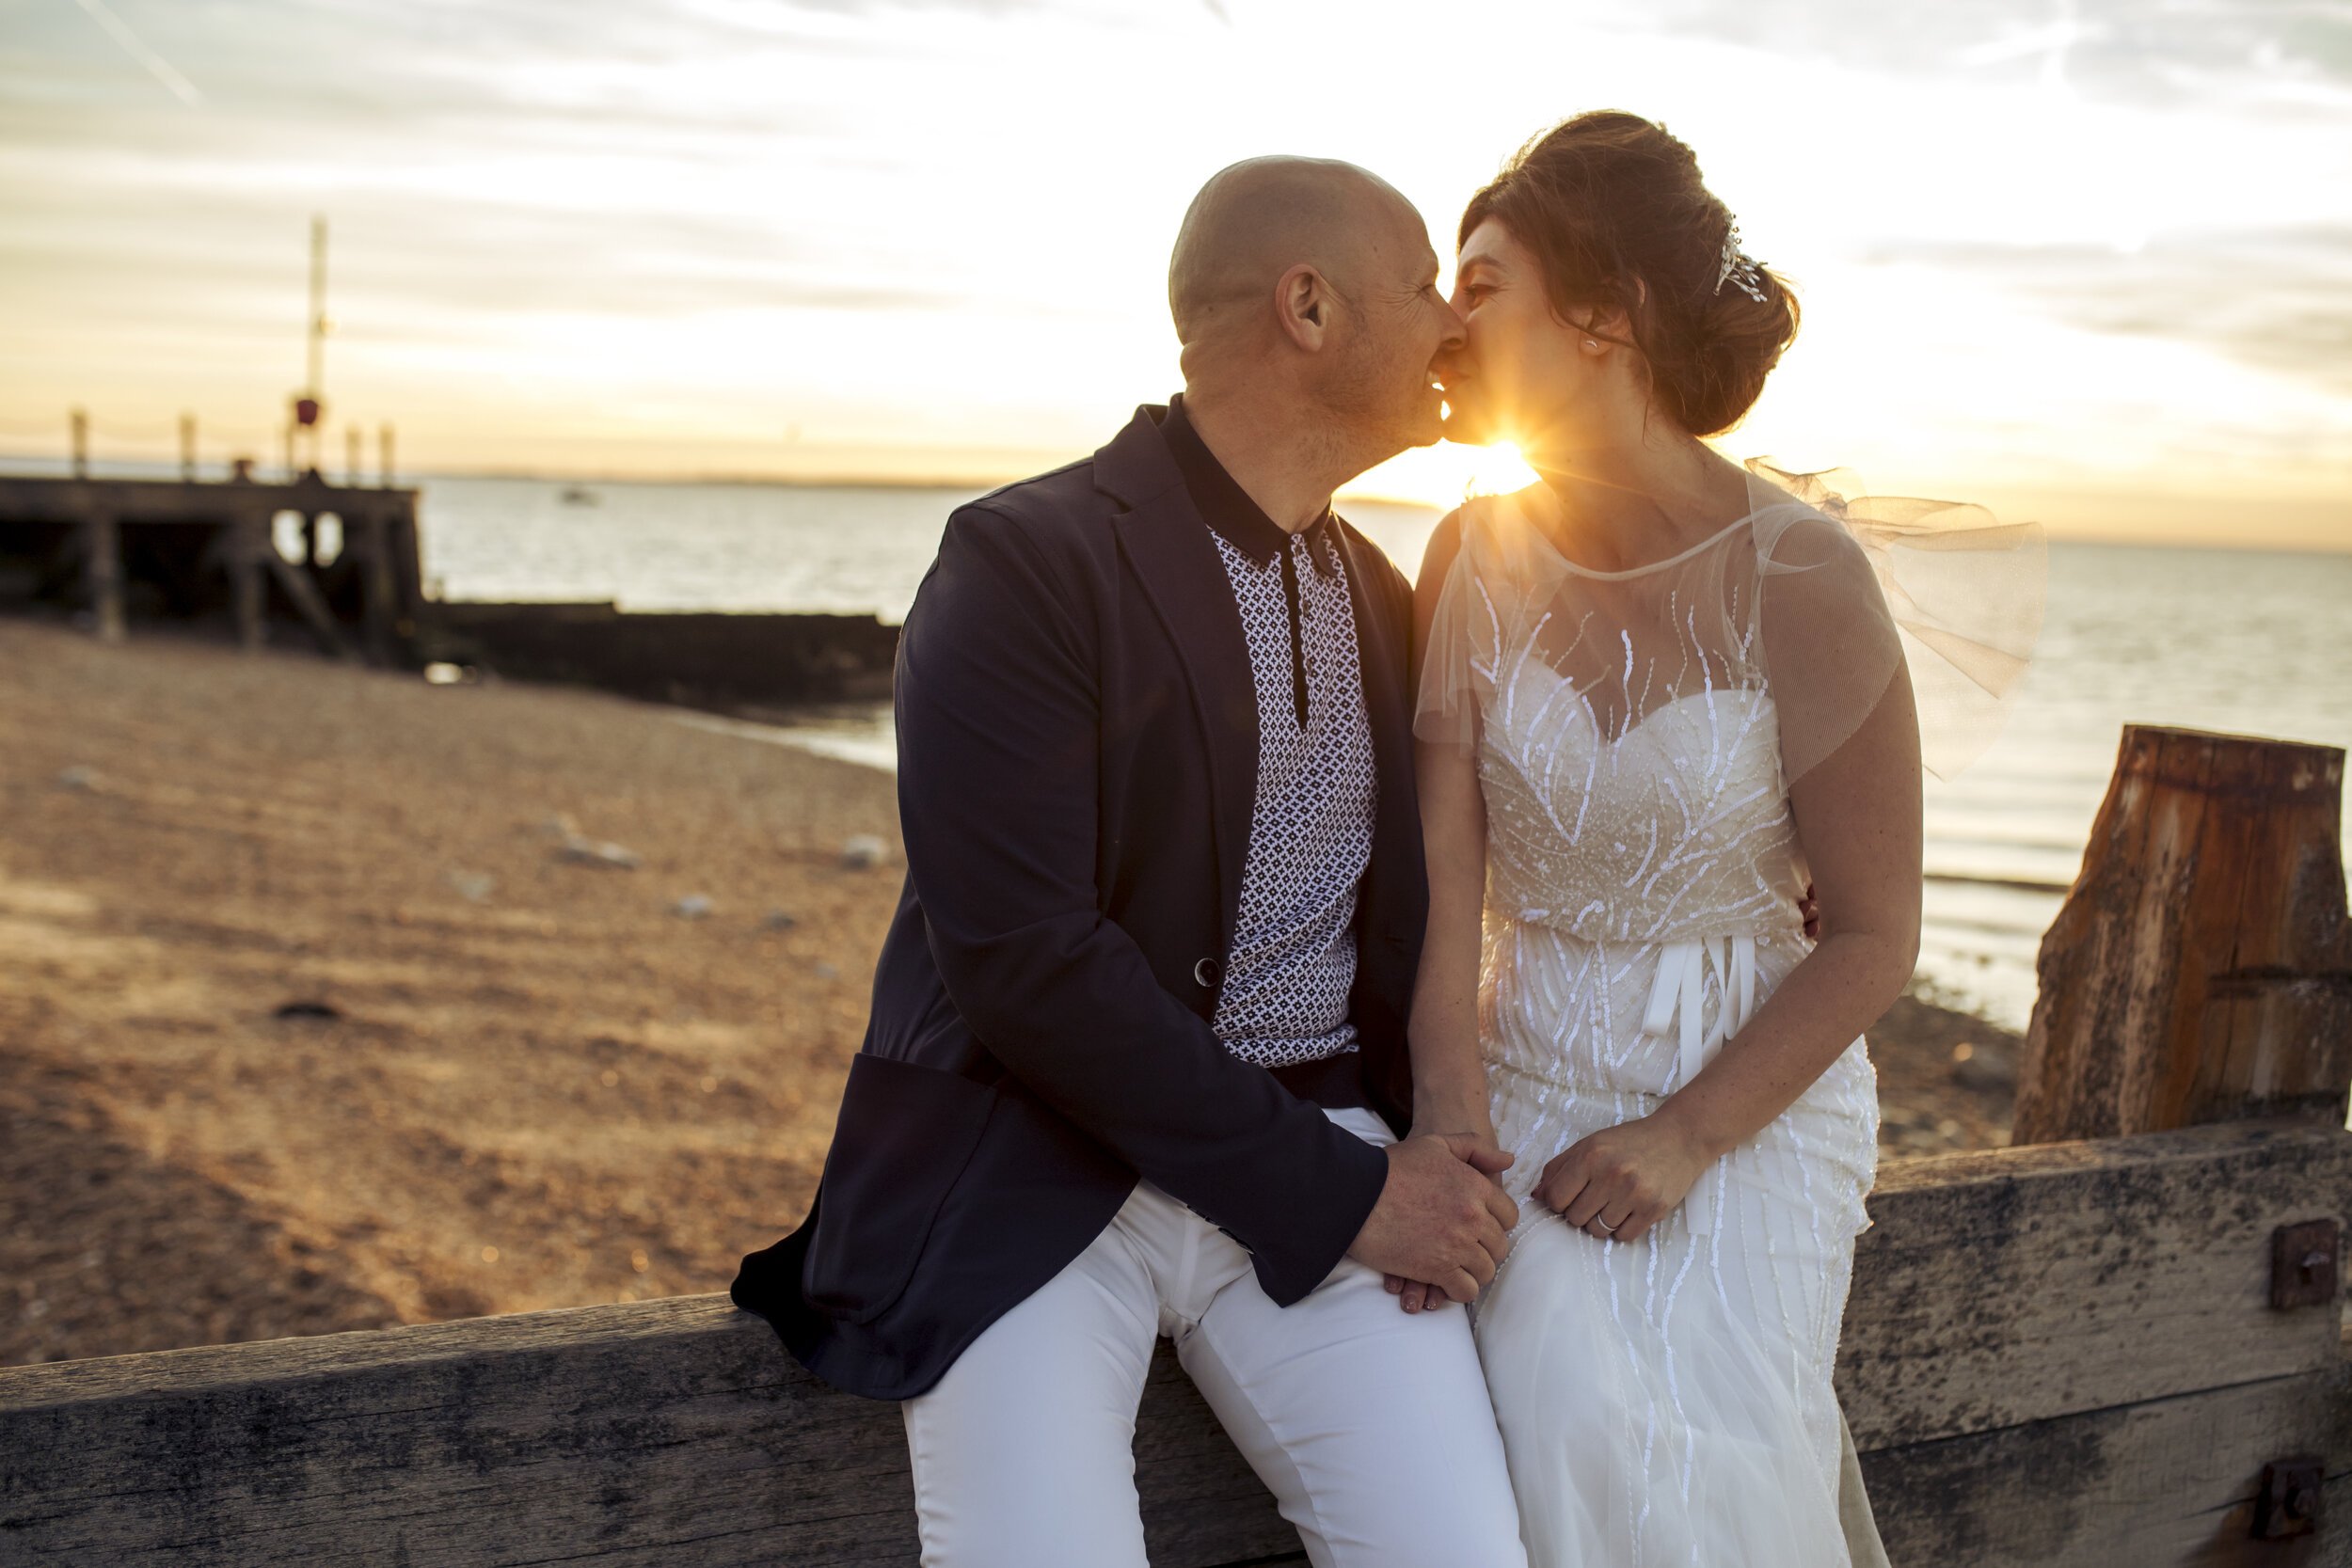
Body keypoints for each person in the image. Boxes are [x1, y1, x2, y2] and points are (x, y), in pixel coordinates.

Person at [730, 156, 1533, 1568]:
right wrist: (1348, 1198)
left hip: (1325, 1160)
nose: (1451, 327)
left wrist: (1775, 866)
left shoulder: (1388, 598)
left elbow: (1471, 852)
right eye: (1421, 288)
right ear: (1308, 306)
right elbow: (1025, 965)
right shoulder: (1023, 562)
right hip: (1040, 1168)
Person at [1405, 111, 2042, 1565]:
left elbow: (1879, 936)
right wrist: (1451, 1110)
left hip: (1745, 1091)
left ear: (1607, 314)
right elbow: (1452, 876)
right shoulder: (1468, 553)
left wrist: (1688, 1135)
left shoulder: (1798, 574)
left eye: (1485, 281)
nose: (1450, 318)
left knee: (1712, 1472)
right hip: (1524, 1067)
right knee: (1561, 1425)